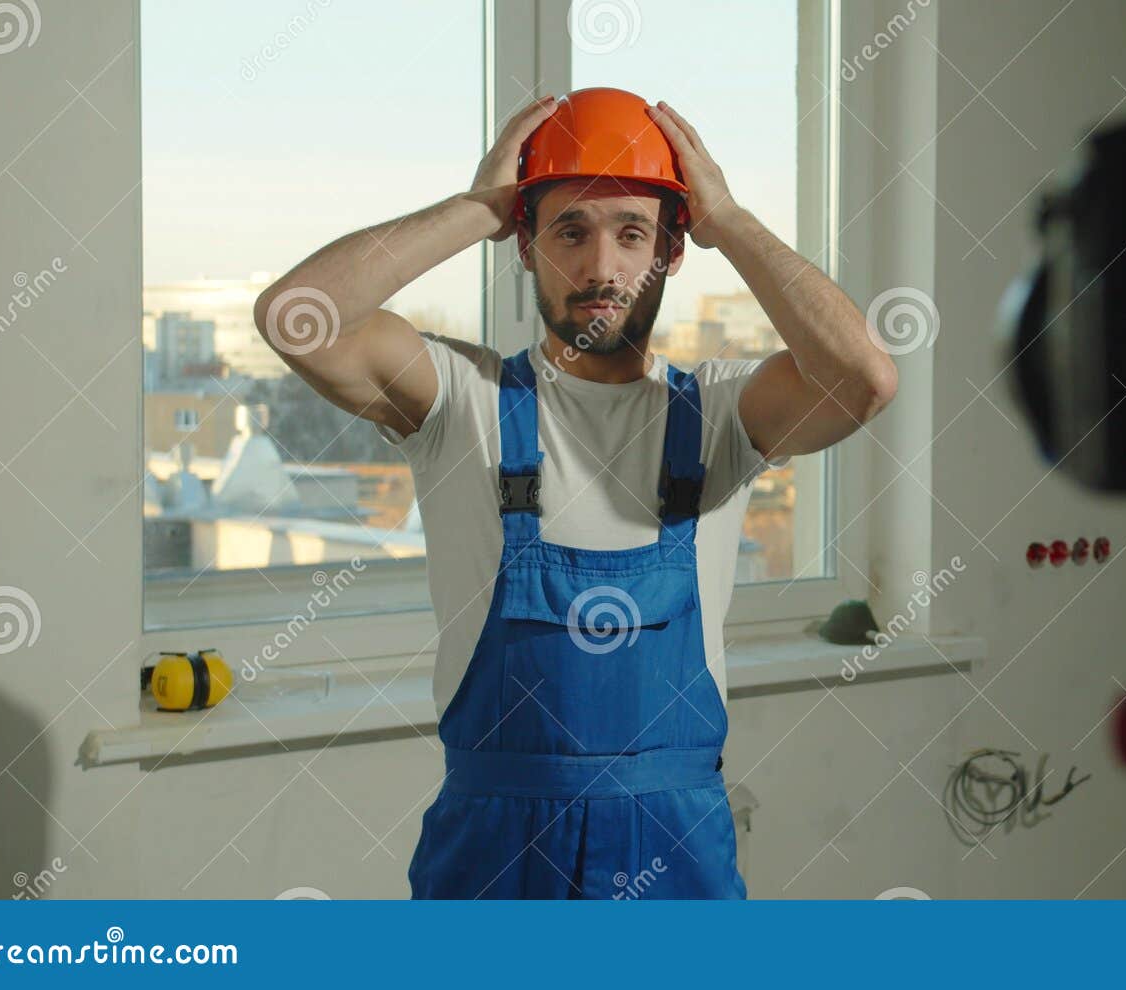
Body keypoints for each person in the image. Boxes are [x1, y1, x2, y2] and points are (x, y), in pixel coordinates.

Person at [253, 87, 897, 899]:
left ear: (670, 250)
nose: (601, 268)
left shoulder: (722, 414)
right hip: (493, 856)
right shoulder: (462, 401)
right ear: (525, 245)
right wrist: (475, 207)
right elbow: (294, 317)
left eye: (633, 234)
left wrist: (728, 219)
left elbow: (865, 378)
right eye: (570, 231)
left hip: (675, 855)